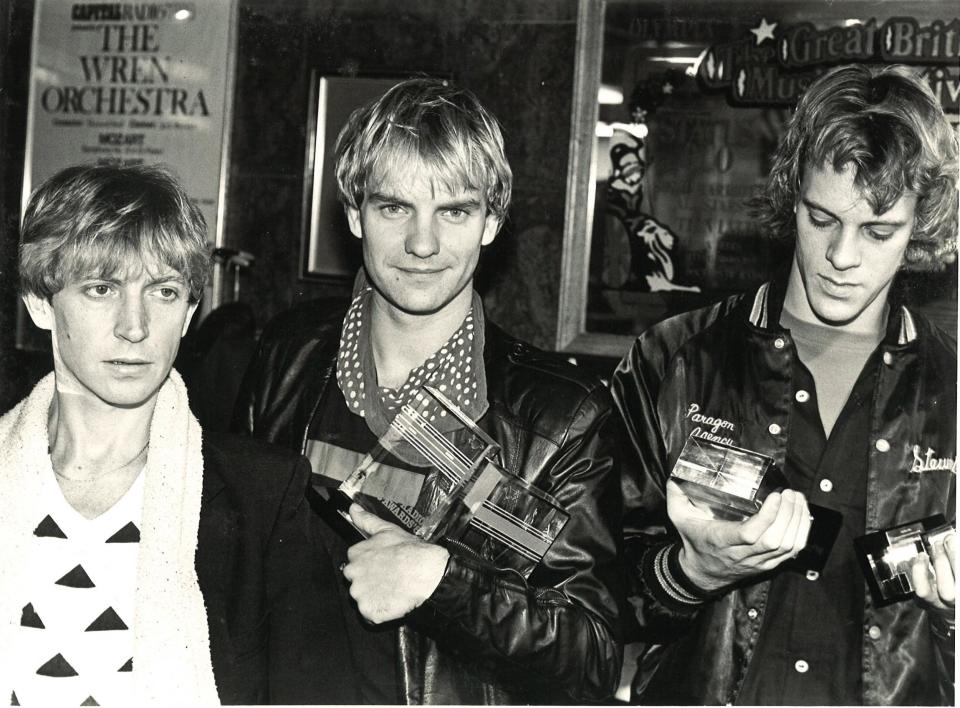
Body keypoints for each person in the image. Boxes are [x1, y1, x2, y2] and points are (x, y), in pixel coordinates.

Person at [234, 78, 624, 704]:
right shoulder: (290, 355)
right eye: (394, 208)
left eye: (454, 211)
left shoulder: (561, 414)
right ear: (354, 213)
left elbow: (590, 654)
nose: (422, 244)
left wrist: (440, 582)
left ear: (491, 221)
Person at [612, 63, 957, 705]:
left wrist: (953, 615)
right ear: (792, 190)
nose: (843, 258)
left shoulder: (954, 386)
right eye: (821, 219)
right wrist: (690, 573)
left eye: (879, 232)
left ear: (921, 225)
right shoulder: (675, 359)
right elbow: (592, 597)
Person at [1, 164, 355, 705]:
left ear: (190, 313)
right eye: (101, 289)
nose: (135, 326)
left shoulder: (263, 495)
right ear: (40, 304)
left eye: (164, 292)